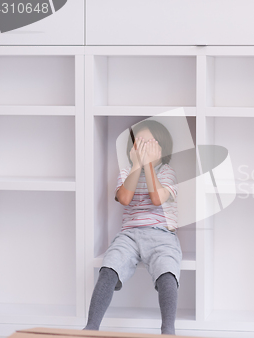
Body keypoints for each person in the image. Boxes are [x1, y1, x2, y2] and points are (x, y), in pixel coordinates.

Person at [83, 120, 181, 335]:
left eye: (149, 144)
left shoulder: (167, 172)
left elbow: (157, 198)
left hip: (162, 235)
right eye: (139, 144)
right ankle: (91, 328)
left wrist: (149, 166)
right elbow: (125, 198)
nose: (144, 149)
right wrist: (138, 166)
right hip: (130, 235)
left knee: (167, 272)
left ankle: (168, 330)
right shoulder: (127, 172)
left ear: (161, 148)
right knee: (109, 268)